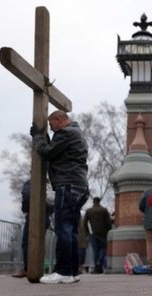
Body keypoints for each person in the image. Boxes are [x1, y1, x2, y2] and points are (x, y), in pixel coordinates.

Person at [30, 110, 89, 284]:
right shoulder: (76, 133)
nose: (51, 128)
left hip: (68, 185)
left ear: (59, 120)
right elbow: (56, 151)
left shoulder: (66, 133)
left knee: (63, 229)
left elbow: (47, 152)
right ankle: (72, 272)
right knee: (71, 230)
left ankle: (63, 271)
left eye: (51, 124)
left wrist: (37, 137)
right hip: (79, 186)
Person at [12, 180, 52, 278]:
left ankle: (28, 269)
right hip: (46, 215)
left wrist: (25, 208)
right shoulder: (50, 185)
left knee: (27, 242)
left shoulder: (31, 182)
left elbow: (26, 196)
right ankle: (38, 268)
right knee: (40, 242)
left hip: (34, 214)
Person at [83, 197, 112, 274]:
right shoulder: (104, 210)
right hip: (103, 233)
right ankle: (100, 263)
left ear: (93, 202)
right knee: (103, 249)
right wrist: (108, 230)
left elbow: (84, 223)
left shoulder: (89, 211)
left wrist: (87, 233)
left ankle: (97, 267)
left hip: (93, 233)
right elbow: (108, 223)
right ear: (99, 201)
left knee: (95, 250)